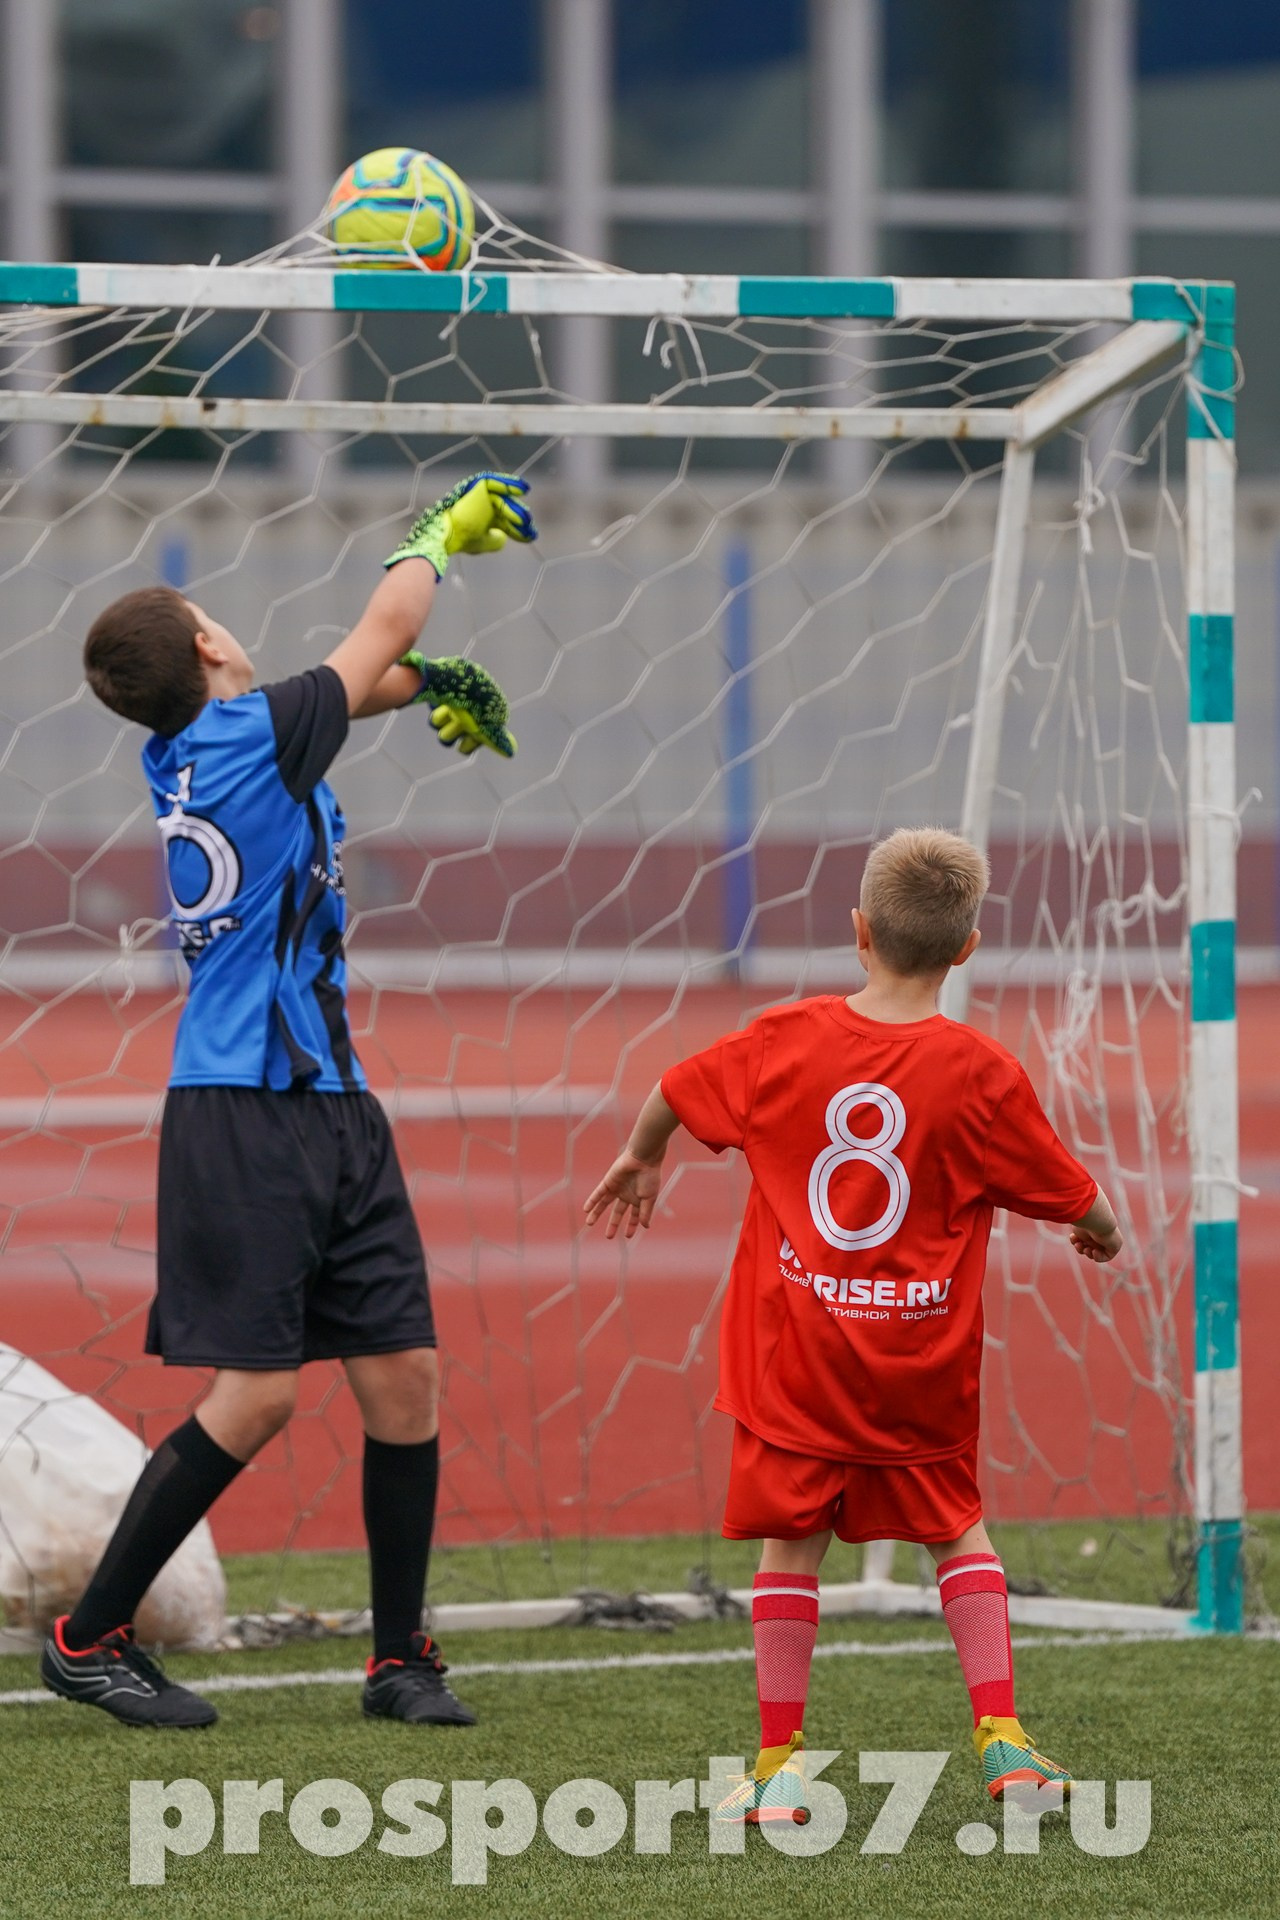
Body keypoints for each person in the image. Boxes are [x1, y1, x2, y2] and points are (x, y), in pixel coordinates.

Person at [41, 471, 536, 1729]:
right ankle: (88, 1638)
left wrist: (440, 689)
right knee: (256, 1396)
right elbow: (382, 636)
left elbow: (370, 684)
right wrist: (438, 532)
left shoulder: (216, 742)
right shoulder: (243, 734)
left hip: (328, 1105)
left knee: (403, 1376)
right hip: (243, 1112)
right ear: (211, 645)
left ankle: (397, 1660)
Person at [585, 826, 1122, 1817]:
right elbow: (1067, 1193)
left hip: (794, 1364)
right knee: (957, 1533)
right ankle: (1003, 1745)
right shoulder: (980, 1072)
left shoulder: (781, 1039)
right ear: (964, 949)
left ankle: (776, 1768)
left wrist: (641, 1154)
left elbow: (671, 1089)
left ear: (857, 932)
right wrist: (1103, 1230)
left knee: (789, 1549)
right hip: (914, 1369)